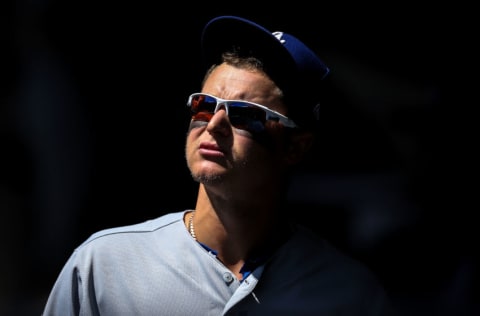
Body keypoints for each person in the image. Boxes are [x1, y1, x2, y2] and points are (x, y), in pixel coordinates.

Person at [42, 15, 396, 315]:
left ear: (295, 146)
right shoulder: (104, 266)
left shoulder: (350, 294)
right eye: (204, 105)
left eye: (244, 115)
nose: (213, 125)